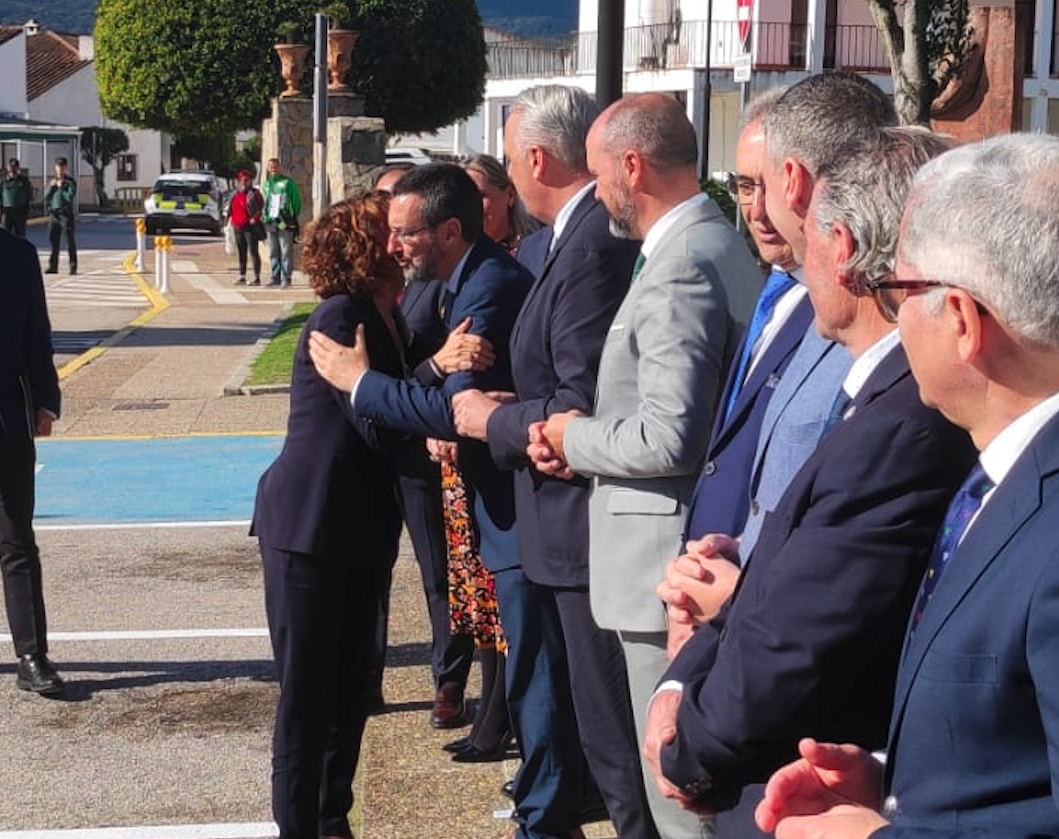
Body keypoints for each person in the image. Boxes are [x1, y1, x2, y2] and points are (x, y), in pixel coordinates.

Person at [643, 126, 977, 837]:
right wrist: (682, 675)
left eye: (810, 237)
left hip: (804, 777)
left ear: (845, 248)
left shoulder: (903, 423)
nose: (797, 257)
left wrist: (690, 750)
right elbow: (771, 573)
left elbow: (801, 629)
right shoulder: (877, 400)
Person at [754, 132, 1059, 839]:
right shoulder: (1001, 474)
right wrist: (894, 780)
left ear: (959, 319)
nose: (891, 319)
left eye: (897, 289)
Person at [524, 91, 760, 839]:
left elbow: (669, 436)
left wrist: (570, 437)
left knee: (674, 787)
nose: (596, 195)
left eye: (598, 175)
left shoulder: (681, 263)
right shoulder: (704, 244)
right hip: (672, 556)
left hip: (659, 563)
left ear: (632, 165)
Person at [307, 165, 569, 839]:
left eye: (406, 233)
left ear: (449, 231)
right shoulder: (461, 282)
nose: (394, 247)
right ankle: (548, 805)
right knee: (530, 664)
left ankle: (543, 816)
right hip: (503, 503)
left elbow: (457, 410)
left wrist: (361, 383)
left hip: (522, 507)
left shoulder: (486, 287)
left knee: (535, 670)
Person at [454, 85, 652, 835]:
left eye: (508, 160)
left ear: (535, 158)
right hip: (560, 523)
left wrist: (493, 417)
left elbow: (584, 398)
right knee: (592, 732)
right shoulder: (568, 238)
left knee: (611, 746)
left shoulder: (592, 244)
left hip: (580, 527)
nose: (509, 173)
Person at [251, 192, 408, 839]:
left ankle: (329, 819)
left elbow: (384, 401)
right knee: (308, 703)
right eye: (388, 229)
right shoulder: (343, 317)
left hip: (356, 531)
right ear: (364, 247)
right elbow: (374, 422)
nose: (401, 238)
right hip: (311, 531)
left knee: (349, 692)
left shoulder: (381, 312)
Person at [0, 229, 64, 696]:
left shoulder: (18, 255)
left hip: (8, 416)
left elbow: (36, 332)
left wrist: (47, 399)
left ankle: (31, 656)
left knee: (17, 537)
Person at [261, 158, 303, 288]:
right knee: (273, 251)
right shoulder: (266, 185)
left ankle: (286, 278)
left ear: (279, 168)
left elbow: (296, 201)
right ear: (268, 169)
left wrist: (292, 215)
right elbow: (264, 202)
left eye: (275, 167)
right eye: (271, 167)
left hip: (284, 222)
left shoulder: (288, 183)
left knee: (286, 251)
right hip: (271, 222)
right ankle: (275, 277)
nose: (273, 169)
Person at [229, 169, 263, 286]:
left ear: (251, 181)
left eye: (247, 180)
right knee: (241, 251)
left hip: (250, 227)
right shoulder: (236, 194)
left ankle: (256, 277)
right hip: (238, 227)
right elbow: (231, 209)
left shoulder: (255, 193)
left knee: (253, 251)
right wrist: (230, 221)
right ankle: (242, 276)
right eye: (242, 180)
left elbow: (260, 208)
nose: (244, 182)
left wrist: (255, 218)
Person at [44, 157, 77, 275]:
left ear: (66, 168)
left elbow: (69, 197)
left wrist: (61, 187)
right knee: (53, 241)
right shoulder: (52, 181)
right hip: (54, 214)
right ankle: (53, 266)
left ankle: (73, 266)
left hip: (65, 214)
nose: (60, 169)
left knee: (69, 241)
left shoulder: (70, 182)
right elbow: (46, 196)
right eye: (58, 167)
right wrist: (53, 187)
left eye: (62, 167)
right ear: (55, 168)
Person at [2, 158, 33, 237]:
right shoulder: (3, 181)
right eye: (11, 167)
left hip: (20, 212)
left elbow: (29, 195)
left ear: (18, 168)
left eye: (15, 167)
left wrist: (26, 211)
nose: (13, 169)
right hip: (6, 212)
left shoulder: (24, 181)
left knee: (20, 236)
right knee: (5, 235)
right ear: (8, 168)